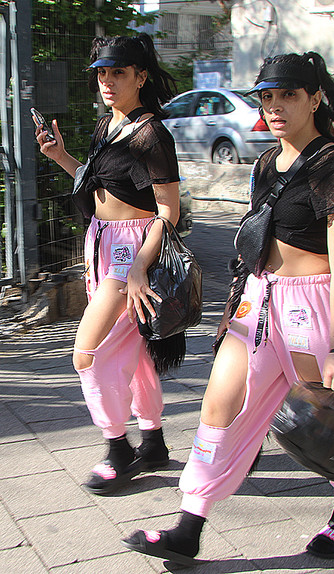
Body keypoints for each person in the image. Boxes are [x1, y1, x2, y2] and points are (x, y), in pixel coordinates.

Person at [122, 51, 334, 563]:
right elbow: (257, 243)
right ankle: (189, 523)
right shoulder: (264, 163)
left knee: (323, 417)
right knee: (219, 403)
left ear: (314, 99)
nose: (275, 106)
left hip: (313, 306)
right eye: (268, 96)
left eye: (288, 95)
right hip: (257, 301)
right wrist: (235, 304)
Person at [35, 33, 181, 495]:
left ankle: (118, 449)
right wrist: (60, 156)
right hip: (101, 244)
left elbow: (169, 211)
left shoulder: (151, 134)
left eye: (118, 72)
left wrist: (139, 266)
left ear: (141, 76)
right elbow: (99, 186)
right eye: (102, 72)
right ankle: (152, 440)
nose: (107, 81)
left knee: (88, 353)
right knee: (134, 349)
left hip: (133, 251)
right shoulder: (106, 126)